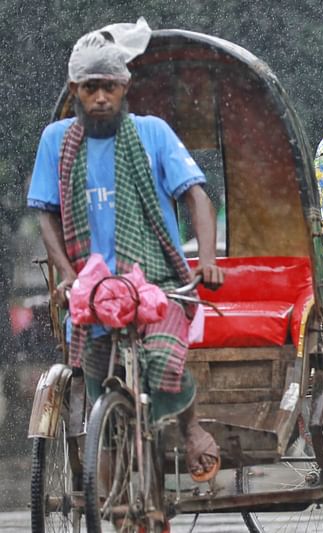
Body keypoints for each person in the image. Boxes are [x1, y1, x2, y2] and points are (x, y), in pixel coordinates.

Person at [26, 18, 224, 492]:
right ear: (76, 88)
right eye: (91, 87)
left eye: (109, 87)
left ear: (124, 87)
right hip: (92, 291)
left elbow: (196, 194)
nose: (100, 97)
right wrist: (69, 273)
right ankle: (109, 466)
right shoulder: (56, 141)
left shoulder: (152, 132)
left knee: (162, 360)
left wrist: (208, 257)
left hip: (155, 281)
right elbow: (45, 214)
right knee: (96, 385)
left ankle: (188, 426)